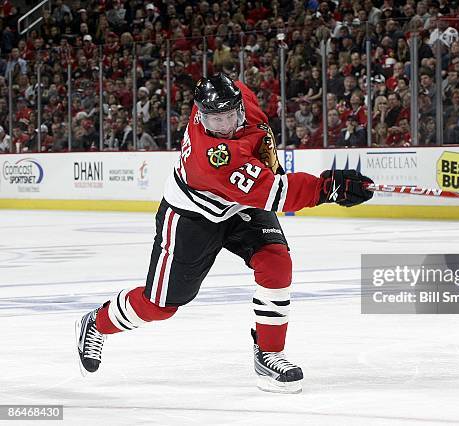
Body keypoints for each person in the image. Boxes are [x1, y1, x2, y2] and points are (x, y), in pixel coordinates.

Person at [75, 73, 374, 394]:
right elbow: (275, 194)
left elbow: (261, 161)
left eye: (229, 115)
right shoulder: (213, 156)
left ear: (239, 107)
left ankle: (270, 353)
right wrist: (329, 187)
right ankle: (97, 323)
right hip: (192, 217)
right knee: (160, 305)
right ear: (200, 117)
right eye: (214, 120)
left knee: (275, 263)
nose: (224, 125)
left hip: (240, 206)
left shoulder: (239, 98)